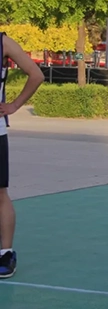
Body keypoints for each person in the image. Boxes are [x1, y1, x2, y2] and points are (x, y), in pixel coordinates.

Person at [0, 32, 45, 278]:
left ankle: (5, 253)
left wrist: (15, 105)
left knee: (0, 194)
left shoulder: (3, 43)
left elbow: (36, 75)